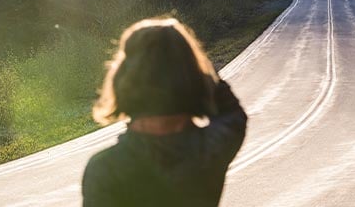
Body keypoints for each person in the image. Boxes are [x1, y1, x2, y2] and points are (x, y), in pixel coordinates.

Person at [82, 18, 247, 207]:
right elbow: (230, 110)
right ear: (192, 77)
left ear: (124, 79)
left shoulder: (105, 170)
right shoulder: (211, 149)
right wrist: (185, 62)